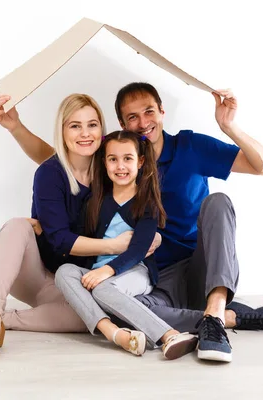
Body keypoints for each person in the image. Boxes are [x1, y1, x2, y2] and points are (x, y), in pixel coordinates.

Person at [0, 83, 263, 363]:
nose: (143, 122)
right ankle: (230, 316)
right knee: (119, 310)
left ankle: (214, 312)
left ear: (162, 111)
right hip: (149, 276)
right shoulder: (121, 159)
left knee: (218, 202)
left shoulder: (190, 147)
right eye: (132, 117)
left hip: (196, 264)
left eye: (149, 111)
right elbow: (61, 157)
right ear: (122, 125)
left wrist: (229, 126)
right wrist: (15, 128)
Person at [0, 93, 159, 360]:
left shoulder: (108, 168)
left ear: (101, 130)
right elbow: (61, 240)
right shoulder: (50, 173)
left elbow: (138, 200)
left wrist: (148, 237)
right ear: (62, 130)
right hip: (38, 274)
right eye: (74, 126)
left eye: (92, 125)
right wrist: (116, 244)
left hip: (72, 283)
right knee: (18, 226)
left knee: (90, 319)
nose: (85, 133)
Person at [56, 130, 199, 359]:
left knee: (103, 288)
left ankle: (169, 334)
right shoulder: (95, 200)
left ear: (140, 161)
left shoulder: (147, 203)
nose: (120, 166)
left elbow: (138, 250)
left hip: (135, 271)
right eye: (113, 159)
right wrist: (42, 226)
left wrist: (107, 270)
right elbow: (77, 237)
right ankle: (116, 334)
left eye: (127, 158)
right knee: (64, 272)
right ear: (104, 162)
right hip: (97, 272)